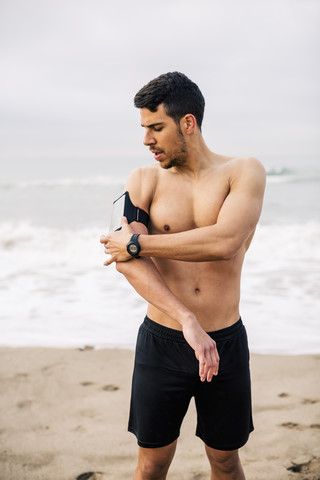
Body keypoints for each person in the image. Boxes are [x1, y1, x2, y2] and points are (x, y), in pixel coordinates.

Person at [100, 72, 266, 480]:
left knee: (225, 459)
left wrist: (138, 244)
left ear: (187, 123)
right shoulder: (142, 180)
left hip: (224, 341)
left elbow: (224, 241)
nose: (146, 140)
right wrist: (186, 318)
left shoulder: (242, 172)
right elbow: (126, 262)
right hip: (163, 343)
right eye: (144, 129)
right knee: (152, 463)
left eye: (156, 128)